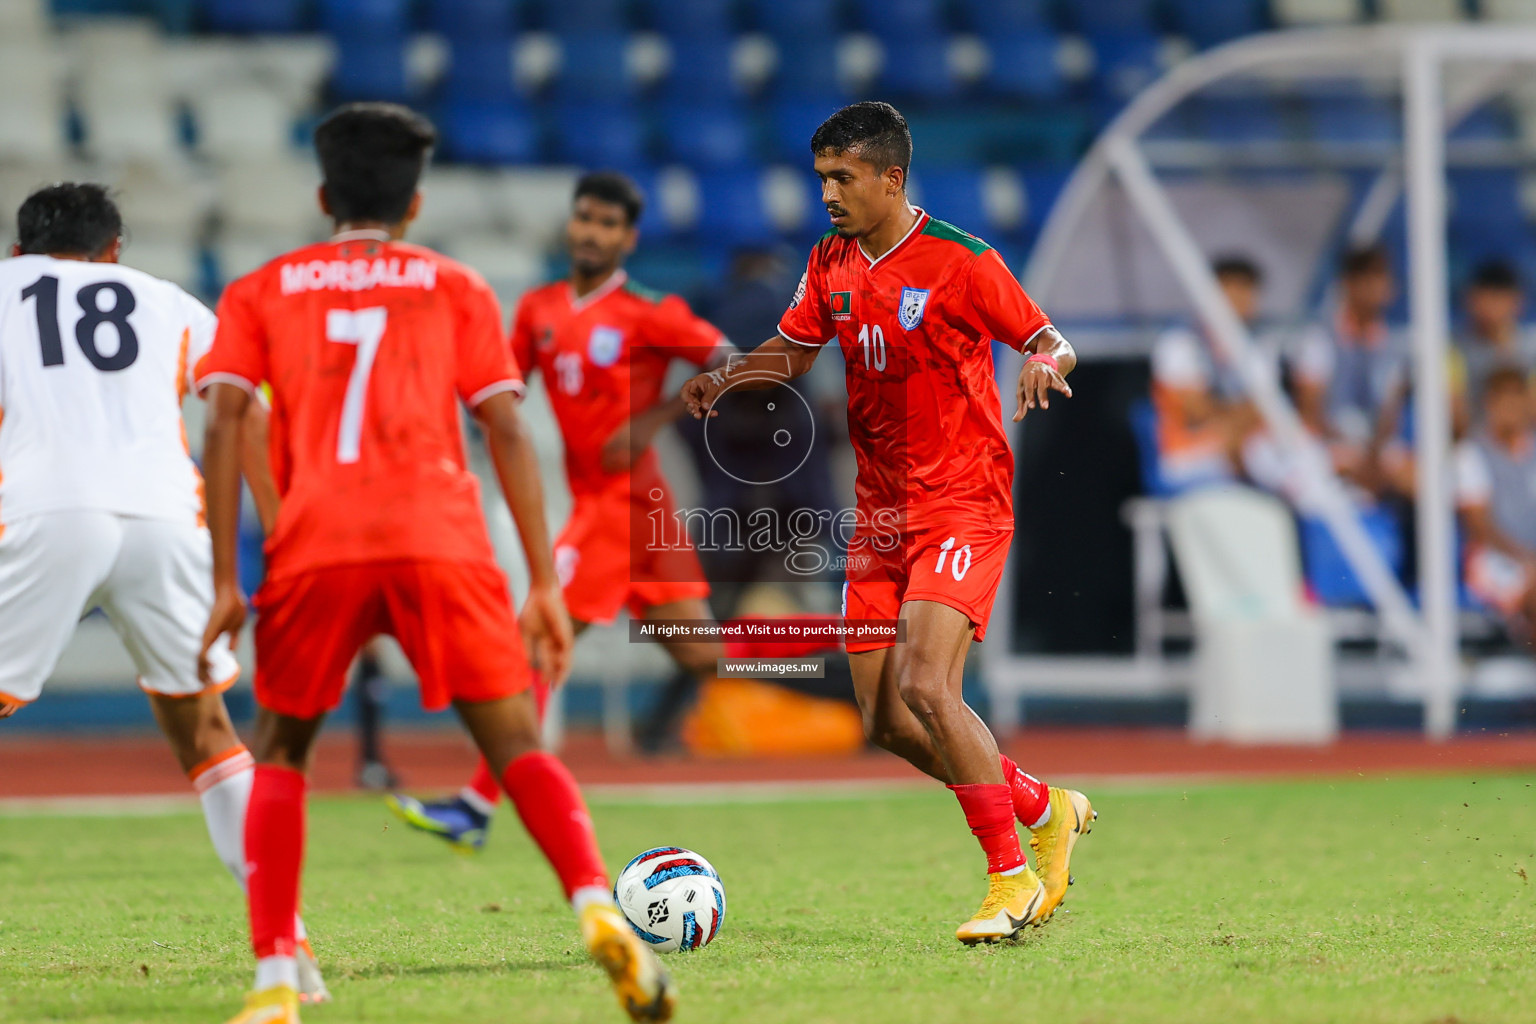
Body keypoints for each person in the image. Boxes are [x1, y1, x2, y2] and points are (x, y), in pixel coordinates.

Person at [196, 105, 674, 1024]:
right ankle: (594, 905)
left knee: (282, 753)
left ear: (325, 195)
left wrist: (225, 579)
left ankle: (272, 982)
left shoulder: (261, 290)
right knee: (515, 748)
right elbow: (503, 426)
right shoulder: (455, 286)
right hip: (440, 538)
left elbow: (224, 420)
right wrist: (540, 580)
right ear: (414, 204)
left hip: (318, 539)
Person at [681, 101, 1094, 945]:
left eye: (843, 177)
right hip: (879, 516)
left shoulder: (963, 261)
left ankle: (1009, 879)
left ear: (891, 178)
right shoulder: (829, 260)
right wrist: (730, 376)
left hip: (961, 503)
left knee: (928, 686)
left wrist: (1043, 367)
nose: (828, 193)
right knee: (884, 721)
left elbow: (1050, 338)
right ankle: (1042, 806)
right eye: (822, 177)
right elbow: (796, 350)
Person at [0, 183, 329, 1002]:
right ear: (114, 251)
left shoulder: (3, 290)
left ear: (19, 251)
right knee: (209, 730)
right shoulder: (172, 302)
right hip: (165, 521)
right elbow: (243, 409)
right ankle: (290, 953)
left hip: (46, 511)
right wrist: (282, 531)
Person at [385, 170, 735, 848]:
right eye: (584, 218)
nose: (591, 232)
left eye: (607, 224)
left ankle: (476, 807)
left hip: (627, 505)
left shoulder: (648, 310)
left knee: (538, 641)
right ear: (570, 224)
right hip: (619, 509)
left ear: (628, 238)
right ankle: (856, 681)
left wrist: (656, 415)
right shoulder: (540, 310)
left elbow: (733, 363)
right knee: (704, 656)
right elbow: (498, 391)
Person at [1290, 245, 1410, 497]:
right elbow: (1311, 410)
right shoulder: (1318, 339)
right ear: (1349, 284)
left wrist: (1371, 456)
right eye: (1368, 279)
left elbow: (1390, 415)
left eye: (1382, 278)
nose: (1377, 288)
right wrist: (1349, 450)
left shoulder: (1393, 347)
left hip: (1374, 449)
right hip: (1325, 444)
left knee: (1424, 480)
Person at [1149, 255, 1263, 492]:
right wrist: (1239, 423)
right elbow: (1199, 412)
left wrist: (1239, 426)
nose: (1240, 301)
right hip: (1186, 456)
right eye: (1232, 291)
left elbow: (1264, 409)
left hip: (1238, 445)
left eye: (1247, 292)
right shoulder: (1179, 343)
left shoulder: (1255, 347)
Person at [1456, 367, 1536, 637]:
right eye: (1505, 399)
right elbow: (1481, 528)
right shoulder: (1470, 455)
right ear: (1490, 404)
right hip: (1495, 562)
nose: (1512, 408)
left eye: (1518, 397)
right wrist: (1527, 559)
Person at [1452, 260, 1536, 436]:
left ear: (1517, 300)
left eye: (1498, 297)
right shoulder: (1455, 350)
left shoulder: (1531, 348)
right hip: (1475, 446)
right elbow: (1455, 415)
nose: (1491, 306)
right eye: (1485, 296)